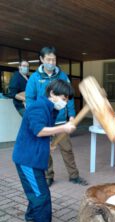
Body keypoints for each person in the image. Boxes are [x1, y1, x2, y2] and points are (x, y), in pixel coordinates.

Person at [13, 79, 76, 222]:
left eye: (67, 100)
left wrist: (48, 144)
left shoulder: (50, 109)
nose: (64, 103)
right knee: (42, 195)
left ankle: (31, 215)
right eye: (63, 98)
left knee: (36, 191)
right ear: (53, 94)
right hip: (28, 160)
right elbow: (39, 130)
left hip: (34, 157)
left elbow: (40, 133)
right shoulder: (38, 107)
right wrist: (64, 128)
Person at [25, 46, 87, 187]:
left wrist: (71, 116)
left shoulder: (62, 76)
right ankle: (48, 176)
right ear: (41, 59)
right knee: (46, 150)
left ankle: (74, 175)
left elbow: (69, 97)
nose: (52, 62)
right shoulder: (35, 78)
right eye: (48, 59)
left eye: (54, 59)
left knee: (67, 149)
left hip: (60, 122)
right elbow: (29, 99)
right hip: (44, 122)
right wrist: (34, 118)